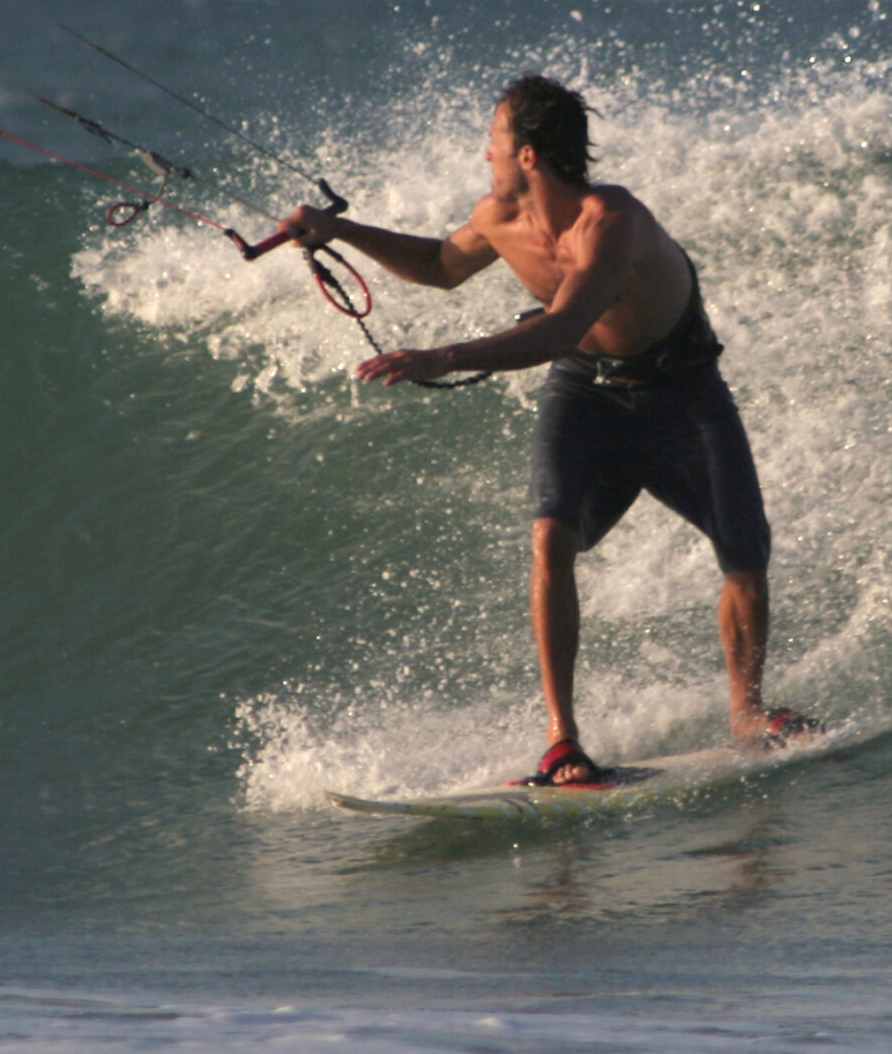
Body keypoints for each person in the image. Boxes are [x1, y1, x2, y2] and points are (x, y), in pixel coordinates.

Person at [280, 75, 812, 787]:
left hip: (681, 389)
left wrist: (441, 357)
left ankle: (747, 713)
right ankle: (562, 741)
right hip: (586, 388)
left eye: (494, 140)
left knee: (744, 557)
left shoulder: (611, 219)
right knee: (549, 537)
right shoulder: (497, 217)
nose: (486, 153)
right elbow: (439, 266)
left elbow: (560, 324)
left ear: (527, 155)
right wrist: (340, 230)